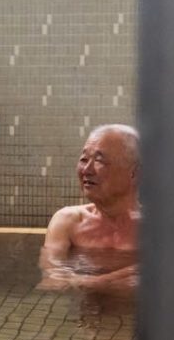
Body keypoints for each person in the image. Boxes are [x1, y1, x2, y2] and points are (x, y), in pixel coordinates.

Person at [39, 124, 141, 293]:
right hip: (86, 318)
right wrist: (123, 276)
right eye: (84, 159)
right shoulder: (68, 221)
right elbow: (52, 279)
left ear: (134, 173)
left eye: (99, 160)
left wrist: (87, 282)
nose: (86, 170)